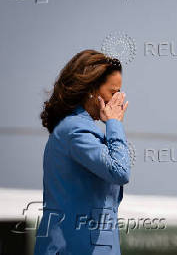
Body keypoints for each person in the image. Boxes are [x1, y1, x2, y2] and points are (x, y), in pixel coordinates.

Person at [34, 50, 130, 255]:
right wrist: (114, 124)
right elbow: (120, 171)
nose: (119, 100)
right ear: (90, 91)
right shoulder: (77, 130)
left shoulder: (74, 128)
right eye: (113, 93)